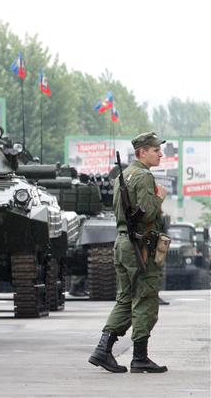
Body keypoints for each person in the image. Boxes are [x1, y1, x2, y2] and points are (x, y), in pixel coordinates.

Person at [88, 132, 169, 374]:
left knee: (126, 299)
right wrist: (159, 198)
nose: (160, 154)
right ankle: (139, 357)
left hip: (123, 243)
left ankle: (103, 350)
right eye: (156, 150)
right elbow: (146, 214)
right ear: (142, 152)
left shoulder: (124, 176)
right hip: (139, 246)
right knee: (145, 299)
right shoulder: (143, 176)